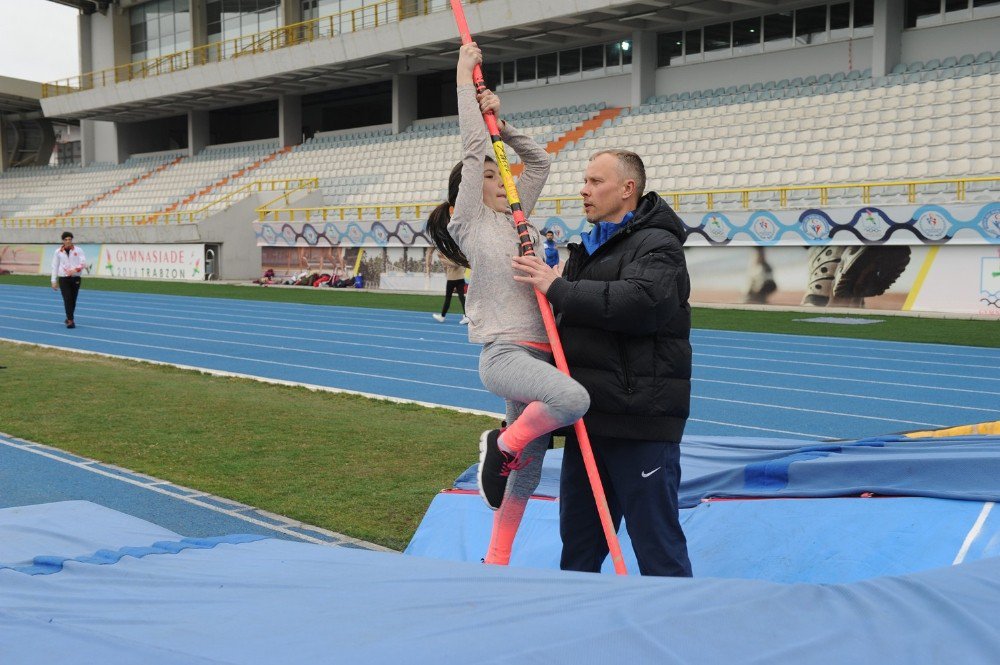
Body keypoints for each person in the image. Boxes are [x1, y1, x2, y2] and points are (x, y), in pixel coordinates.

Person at [425, 42, 590, 566]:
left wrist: (504, 124)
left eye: (503, 175)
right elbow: (476, 150)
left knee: (531, 469)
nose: (501, 181)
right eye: (491, 178)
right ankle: (500, 443)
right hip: (505, 353)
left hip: (544, 351)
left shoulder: (521, 217)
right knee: (574, 401)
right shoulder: (470, 225)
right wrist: (463, 79)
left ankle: (495, 559)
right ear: (466, 198)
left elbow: (540, 159)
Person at [511, 149, 693, 577]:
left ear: (627, 189)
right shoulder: (587, 248)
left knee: (657, 546)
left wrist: (559, 288)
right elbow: (570, 326)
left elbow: (642, 303)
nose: (583, 189)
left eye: (595, 181)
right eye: (585, 180)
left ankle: (676, 628)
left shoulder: (659, 245)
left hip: (639, 423)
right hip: (588, 421)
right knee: (579, 546)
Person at [51, 231, 86, 329]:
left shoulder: (78, 250)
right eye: (66, 239)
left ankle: (68, 317)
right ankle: (71, 320)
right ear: (63, 241)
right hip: (63, 278)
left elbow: (83, 263)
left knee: (73, 300)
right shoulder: (58, 252)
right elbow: (55, 266)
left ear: (72, 240)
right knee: (67, 298)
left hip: (75, 278)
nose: (68, 241)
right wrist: (53, 281)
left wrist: (75, 270)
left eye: (70, 239)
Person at [430, 250, 470, 324]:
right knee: (448, 299)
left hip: (459, 279)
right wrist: (443, 260)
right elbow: (447, 268)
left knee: (462, 298)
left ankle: (466, 316)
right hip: (451, 279)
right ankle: (442, 316)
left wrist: (442, 259)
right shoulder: (447, 257)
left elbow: (455, 264)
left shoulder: (458, 254)